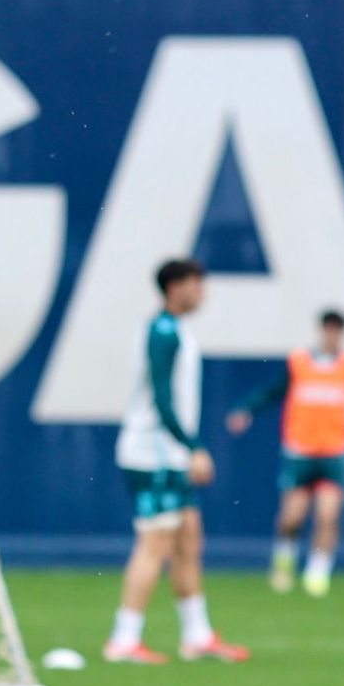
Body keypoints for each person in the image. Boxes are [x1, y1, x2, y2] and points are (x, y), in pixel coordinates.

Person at [103, 259, 250, 664]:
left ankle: (197, 635)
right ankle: (124, 638)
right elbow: (162, 398)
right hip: (153, 453)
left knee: (189, 538)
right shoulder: (163, 333)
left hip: (167, 453)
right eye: (195, 284)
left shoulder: (177, 331)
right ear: (174, 287)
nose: (202, 292)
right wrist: (192, 446)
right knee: (155, 545)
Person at [226, 310, 344, 596]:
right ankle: (284, 563)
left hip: (334, 452)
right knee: (292, 518)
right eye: (329, 329)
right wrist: (246, 409)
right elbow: (272, 391)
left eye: (338, 330)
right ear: (321, 330)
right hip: (300, 452)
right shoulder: (299, 363)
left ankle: (318, 571)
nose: (333, 335)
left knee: (327, 515)